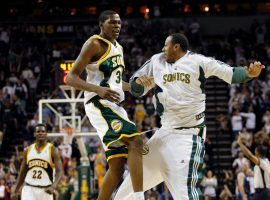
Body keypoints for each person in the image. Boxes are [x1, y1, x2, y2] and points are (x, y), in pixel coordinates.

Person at [114, 33, 265, 200]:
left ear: (176, 46)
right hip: (164, 133)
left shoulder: (199, 61)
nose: (163, 49)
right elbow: (136, 88)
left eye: (166, 45)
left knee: (185, 195)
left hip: (187, 136)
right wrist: (138, 84)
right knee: (124, 193)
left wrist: (249, 74)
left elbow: (231, 74)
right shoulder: (156, 61)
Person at [66, 10, 144, 200]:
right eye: (112, 23)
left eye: (119, 23)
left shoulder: (119, 47)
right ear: (101, 25)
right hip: (98, 102)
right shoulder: (94, 44)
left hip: (114, 105)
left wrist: (135, 87)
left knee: (117, 165)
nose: (117, 26)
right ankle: (139, 196)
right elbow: (70, 77)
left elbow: (116, 83)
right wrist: (98, 90)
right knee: (136, 141)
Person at [11, 123, 63, 200]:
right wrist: (15, 190)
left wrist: (53, 186)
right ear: (34, 134)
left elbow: (60, 171)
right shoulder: (27, 150)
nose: (41, 133)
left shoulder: (53, 150)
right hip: (29, 188)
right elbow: (22, 172)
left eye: (43, 131)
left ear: (46, 134)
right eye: (38, 131)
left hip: (46, 190)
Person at [237, 133, 270, 200]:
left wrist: (240, 144)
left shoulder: (263, 162)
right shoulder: (264, 162)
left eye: (255, 151)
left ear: (258, 153)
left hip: (263, 192)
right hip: (259, 192)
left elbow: (249, 155)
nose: (254, 152)